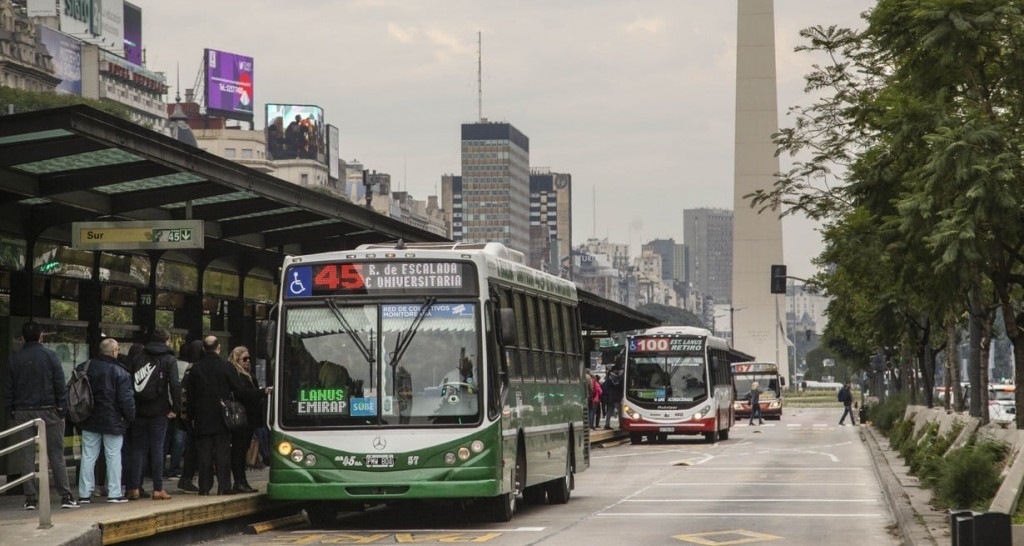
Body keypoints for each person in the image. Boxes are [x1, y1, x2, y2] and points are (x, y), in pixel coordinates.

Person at [4, 321, 79, 510]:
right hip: (48, 410)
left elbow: (8, 388)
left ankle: (30, 498)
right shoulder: (50, 356)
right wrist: (62, 410)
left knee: (26, 454)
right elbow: (59, 384)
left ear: (22, 338)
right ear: (41, 336)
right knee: (56, 454)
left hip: (22, 411)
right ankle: (65, 496)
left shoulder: (15, 358)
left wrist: (11, 410)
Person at [183, 336, 264, 495]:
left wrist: (191, 417)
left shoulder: (196, 368)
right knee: (222, 454)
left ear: (204, 349)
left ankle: (204, 488)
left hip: (202, 417)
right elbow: (239, 391)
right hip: (222, 416)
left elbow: (190, 396)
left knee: (204, 454)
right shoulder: (226, 367)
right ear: (218, 348)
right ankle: (224, 486)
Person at [77, 338, 136, 504]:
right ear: (114, 351)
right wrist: (130, 418)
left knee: (88, 456)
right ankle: (114, 493)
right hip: (113, 420)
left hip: (88, 417)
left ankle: (84, 493)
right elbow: (126, 399)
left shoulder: (85, 367)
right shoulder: (120, 372)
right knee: (113, 456)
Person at [127, 328, 181, 501]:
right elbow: (174, 385)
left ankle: (134, 487)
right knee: (157, 447)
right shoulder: (169, 359)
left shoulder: (138, 357)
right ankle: (158, 489)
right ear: (166, 341)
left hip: (138, 409)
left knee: (137, 449)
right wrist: (176, 408)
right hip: (159, 410)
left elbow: (129, 383)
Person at [227, 346, 263, 494]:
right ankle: (239, 481)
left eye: (249, 359)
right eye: (244, 359)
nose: (248, 362)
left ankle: (241, 480)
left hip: (249, 418)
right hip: (241, 418)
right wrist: (262, 392)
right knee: (239, 450)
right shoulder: (237, 374)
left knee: (242, 450)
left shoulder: (247, 374)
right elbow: (243, 393)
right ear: (237, 359)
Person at [175, 339, 204, 494]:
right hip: (193, 416)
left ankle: (187, 478)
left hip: (187, 414)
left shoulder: (189, 368)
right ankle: (187, 478)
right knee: (192, 448)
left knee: (190, 447)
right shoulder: (195, 369)